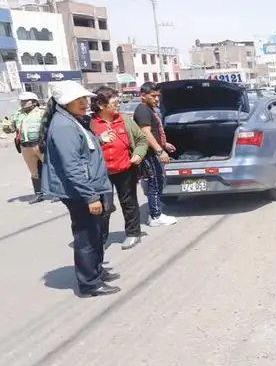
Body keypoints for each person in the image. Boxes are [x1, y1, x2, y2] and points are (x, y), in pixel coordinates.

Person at [41, 82, 120, 298]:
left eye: (85, 99)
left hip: (89, 187)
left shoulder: (73, 120)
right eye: (80, 100)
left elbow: (84, 149)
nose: (85, 103)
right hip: (80, 192)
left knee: (95, 234)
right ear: (66, 102)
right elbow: (72, 167)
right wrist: (90, 197)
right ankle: (89, 283)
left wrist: (99, 140)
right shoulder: (64, 126)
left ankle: (96, 270)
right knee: (86, 236)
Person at [90, 86, 149, 250]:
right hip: (101, 173)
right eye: (114, 101)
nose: (118, 104)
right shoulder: (91, 124)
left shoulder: (125, 120)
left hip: (125, 169)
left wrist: (138, 153)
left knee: (129, 202)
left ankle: (133, 233)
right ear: (101, 105)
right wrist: (98, 139)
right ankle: (100, 238)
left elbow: (142, 140)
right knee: (103, 207)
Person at [133, 81, 177, 227]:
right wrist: (159, 150)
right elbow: (145, 133)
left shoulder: (149, 109)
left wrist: (164, 144)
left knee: (157, 182)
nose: (157, 99)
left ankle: (156, 212)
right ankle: (156, 215)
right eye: (153, 96)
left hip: (154, 152)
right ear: (143, 95)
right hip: (150, 154)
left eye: (158, 96)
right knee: (155, 183)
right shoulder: (142, 110)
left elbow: (154, 131)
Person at [12, 91, 47, 203]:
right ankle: (39, 194)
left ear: (34, 101)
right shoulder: (18, 114)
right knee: (34, 172)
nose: (23, 103)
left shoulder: (42, 112)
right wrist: (7, 126)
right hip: (25, 146)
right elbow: (11, 129)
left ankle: (58, 192)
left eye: (25, 101)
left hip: (40, 144)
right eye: (22, 101)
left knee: (51, 168)